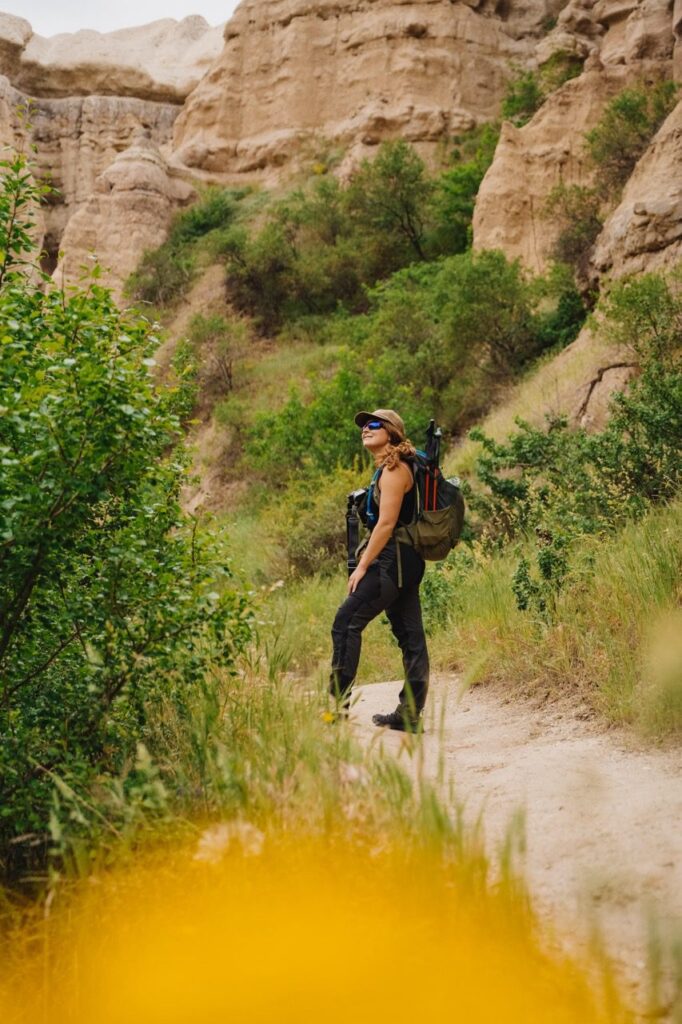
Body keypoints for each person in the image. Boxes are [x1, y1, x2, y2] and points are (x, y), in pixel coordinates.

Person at [329, 409, 430, 732]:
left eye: (373, 425)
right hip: (408, 561)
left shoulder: (393, 470)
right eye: (363, 427)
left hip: (391, 562)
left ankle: (336, 708)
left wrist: (362, 566)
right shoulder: (400, 467)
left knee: (346, 623)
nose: (365, 430)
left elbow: (386, 524)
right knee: (410, 635)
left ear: (391, 431)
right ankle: (409, 713)